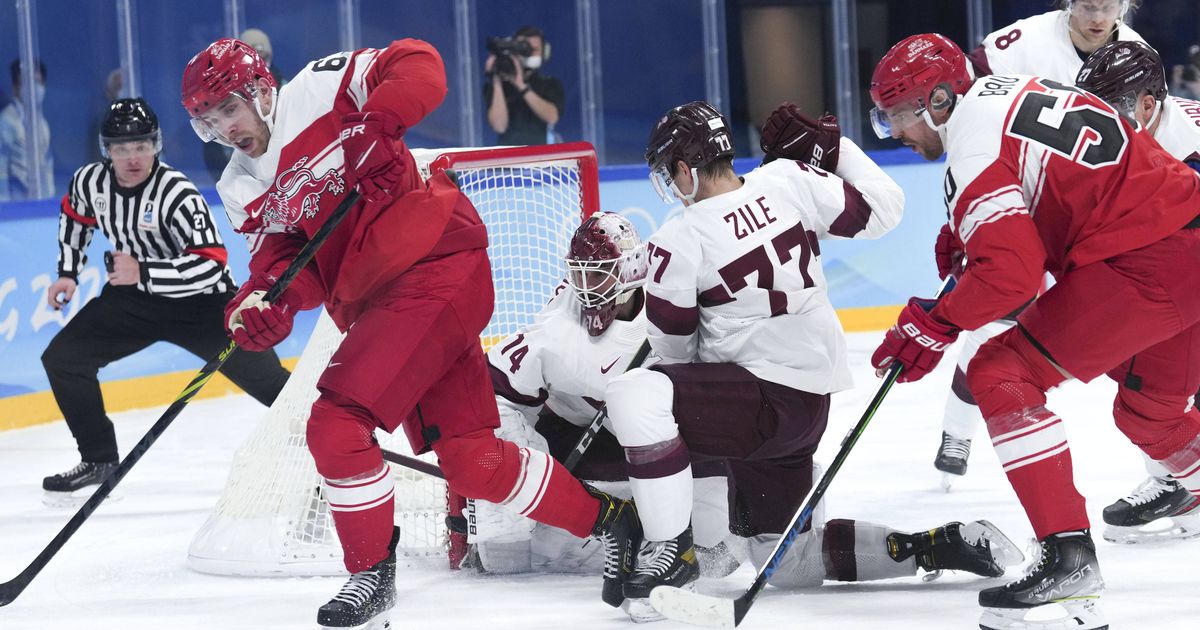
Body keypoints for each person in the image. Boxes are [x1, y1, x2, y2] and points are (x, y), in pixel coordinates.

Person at [180, 37, 637, 629]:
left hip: (435, 263)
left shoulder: (320, 87)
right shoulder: (239, 185)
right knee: (473, 463)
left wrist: (378, 120)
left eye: (228, 112)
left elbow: (420, 62)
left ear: (260, 92)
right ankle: (616, 522)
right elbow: (285, 267)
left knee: (337, 421)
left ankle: (370, 571)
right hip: (389, 305)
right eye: (207, 124)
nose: (223, 131)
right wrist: (266, 305)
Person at [599, 100, 1020, 622]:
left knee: (634, 393)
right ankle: (936, 545)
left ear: (684, 169)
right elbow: (885, 206)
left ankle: (669, 549)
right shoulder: (787, 179)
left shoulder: (677, 241)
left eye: (669, 171)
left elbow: (673, 356)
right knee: (787, 560)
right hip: (808, 408)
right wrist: (836, 149)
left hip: (756, 407)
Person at [867, 33, 1200, 630]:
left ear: (939, 101)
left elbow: (1012, 277)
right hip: (1183, 243)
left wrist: (936, 324)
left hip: (1151, 259)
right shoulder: (1008, 92)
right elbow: (1054, 205)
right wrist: (974, 235)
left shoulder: (970, 141)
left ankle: (1068, 560)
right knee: (1150, 414)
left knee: (1000, 371)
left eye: (897, 115)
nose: (893, 132)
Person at [933, 0, 1146, 485]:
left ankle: (1168, 468)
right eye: (1088, 5)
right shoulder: (1021, 42)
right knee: (994, 321)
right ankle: (956, 430)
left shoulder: (1137, 54)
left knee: (1133, 339)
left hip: (1089, 216)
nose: (1097, 17)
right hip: (1017, 202)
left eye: (1108, 6)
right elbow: (954, 105)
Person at [40, 98, 291, 506]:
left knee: (271, 385)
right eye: (121, 149)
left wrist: (144, 272)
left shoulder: (177, 192)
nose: (132, 157)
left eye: (141, 146)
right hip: (134, 300)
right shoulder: (91, 182)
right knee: (63, 359)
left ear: (156, 145)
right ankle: (99, 460)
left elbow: (212, 266)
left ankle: (336, 440)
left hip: (203, 306)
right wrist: (68, 271)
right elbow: (75, 215)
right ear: (107, 151)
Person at [1075, 40, 1200, 543]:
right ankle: (1176, 477)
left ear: (1147, 104)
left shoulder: (1185, 146)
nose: (1097, 122)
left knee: (1156, 386)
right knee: (1137, 369)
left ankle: (1178, 479)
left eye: (1111, 109)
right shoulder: (1130, 131)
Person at [484, 25, 564, 146]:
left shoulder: (550, 84)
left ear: (544, 53)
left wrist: (521, 86)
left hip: (541, 157)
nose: (528, 53)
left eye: (534, 50)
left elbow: (552, 117)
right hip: (508, 158)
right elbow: (499, 126)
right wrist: (496, 80)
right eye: (524, 49)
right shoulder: (498, 87)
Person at [0, 58, 53, 199]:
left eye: (39, 82)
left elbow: (47, 167)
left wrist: (49, 201)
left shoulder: (42, 123)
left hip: (39, 203)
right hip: (15, 206)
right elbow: (2, 168)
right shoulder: (7, 120)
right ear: (15, 87)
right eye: (28, 82)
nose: (35, 88)